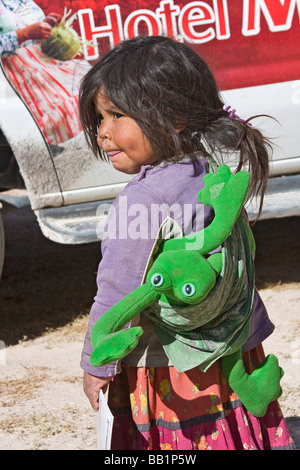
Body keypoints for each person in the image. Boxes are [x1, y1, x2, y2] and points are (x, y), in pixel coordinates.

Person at [79, 36, 295, 450]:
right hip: (233, 346)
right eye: (99, 117)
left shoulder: (143, 198)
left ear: (174, 116)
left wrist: (96, 360)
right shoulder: (213, 173)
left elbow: (117, 289)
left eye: (116, 115)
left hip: (172, 371)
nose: (103, 132)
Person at [0, 0, 90, 145]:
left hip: (43, 61)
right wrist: (24, 34)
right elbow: (23, 32)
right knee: (66, 105)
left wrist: (47, 25)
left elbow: (29, 26)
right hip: (14, 74)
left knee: (88, 89)